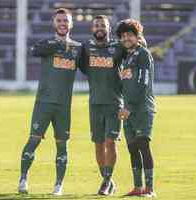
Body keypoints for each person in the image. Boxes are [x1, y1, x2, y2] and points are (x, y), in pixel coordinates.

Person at [18, 8, 84, 196]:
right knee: (33, 140)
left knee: (62, 144)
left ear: (71, 24)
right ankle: (23, 178)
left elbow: (91, 68)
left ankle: (58, 185)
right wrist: (54, 45)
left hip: (64, 106)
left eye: (66, 21)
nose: (63, 24)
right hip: (44, 103)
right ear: (54, 24)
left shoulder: (78, 48)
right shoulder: (48, 44)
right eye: (59, 21)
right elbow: (33, 51)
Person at [81, 15, 125, 195]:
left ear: (109, 28)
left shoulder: (118, 46)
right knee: (98, 144)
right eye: (96, 25)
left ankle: (106, 182)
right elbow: (83, 68)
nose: (100, 28)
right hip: (95, 104)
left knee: (110, 142)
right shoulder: (86, 48)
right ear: (92, 29)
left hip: (114, 104)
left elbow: (135, 53)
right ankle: (108, 181)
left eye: (103, 25)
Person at [116, 19, 157, 197]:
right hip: (128, 109)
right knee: (132, 148)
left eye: (129, 35)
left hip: (141, 109)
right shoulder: (127, 57)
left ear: (137, 36)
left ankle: (149, 189)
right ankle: (137, 187)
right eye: (123, 35)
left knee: (143, 145)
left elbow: (143, 83)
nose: (126, 38)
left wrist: (129, 107)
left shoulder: (142, 54)